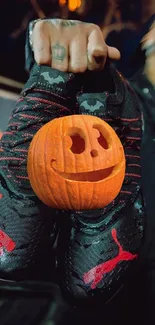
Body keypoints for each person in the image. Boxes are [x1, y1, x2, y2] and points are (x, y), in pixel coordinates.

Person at [0, 17, 155, 323]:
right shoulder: (110, 97)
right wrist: (55, 50)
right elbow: (59, 51)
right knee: (93, 96)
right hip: (76, 309)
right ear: (150, 36)